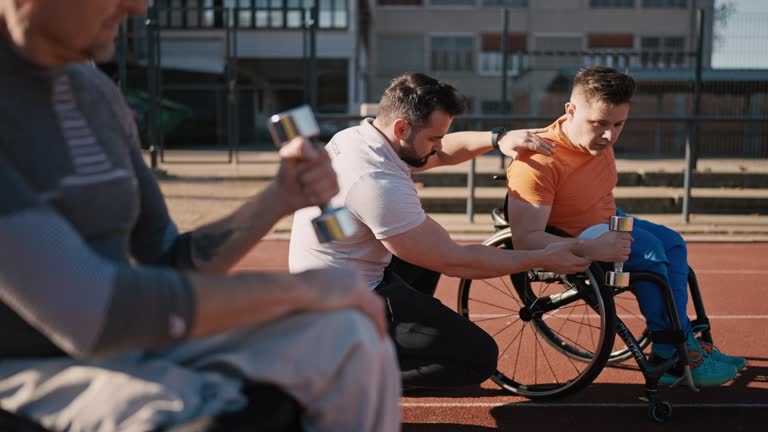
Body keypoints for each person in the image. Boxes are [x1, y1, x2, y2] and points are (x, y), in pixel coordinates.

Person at [0, 1, 400, 431]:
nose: (137, 6)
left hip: (128, 339)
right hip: (26, 367)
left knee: (351, 337)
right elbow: (91, 311)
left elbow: (168, 260)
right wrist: (303, 289)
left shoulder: (95, 91)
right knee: (186, 411)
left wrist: (281, 197)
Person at [289, 72, 592, 390]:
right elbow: (456, 260)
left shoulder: (358, 138)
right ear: (401, 128)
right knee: (478, 357)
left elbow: (443, 150)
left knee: (420, 245)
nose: (437, 147)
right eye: (433, 138)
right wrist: (540, 258)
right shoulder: (375, 182)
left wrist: (497, 138)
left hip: (332, 274)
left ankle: (380, 344)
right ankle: (349, 376)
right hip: (342, 303)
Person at [504, 66, 746, 387]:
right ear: (571, 110)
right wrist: (587, 247)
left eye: (619, 124)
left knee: (672, 242)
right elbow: (524, 240)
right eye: (600, 124)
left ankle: (683, 339)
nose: (610, 135)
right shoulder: (537, 161)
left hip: (604, 217)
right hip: (573, 235)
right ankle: (667, 350)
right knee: (649, 252)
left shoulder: (597, 139)